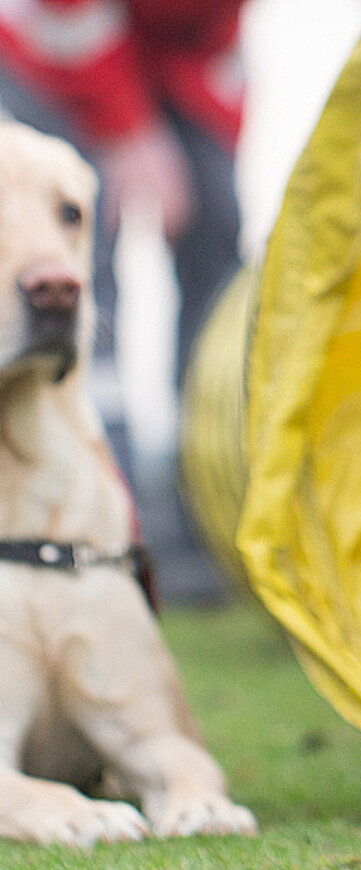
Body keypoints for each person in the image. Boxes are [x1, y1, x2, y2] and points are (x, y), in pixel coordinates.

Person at [0, 0, 247, 603]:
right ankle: (104, 539)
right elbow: (71, 14)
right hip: (58, 46)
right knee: (83, 261)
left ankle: (209, 524)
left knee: (217, 229)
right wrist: (127, 126)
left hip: (182, 64)